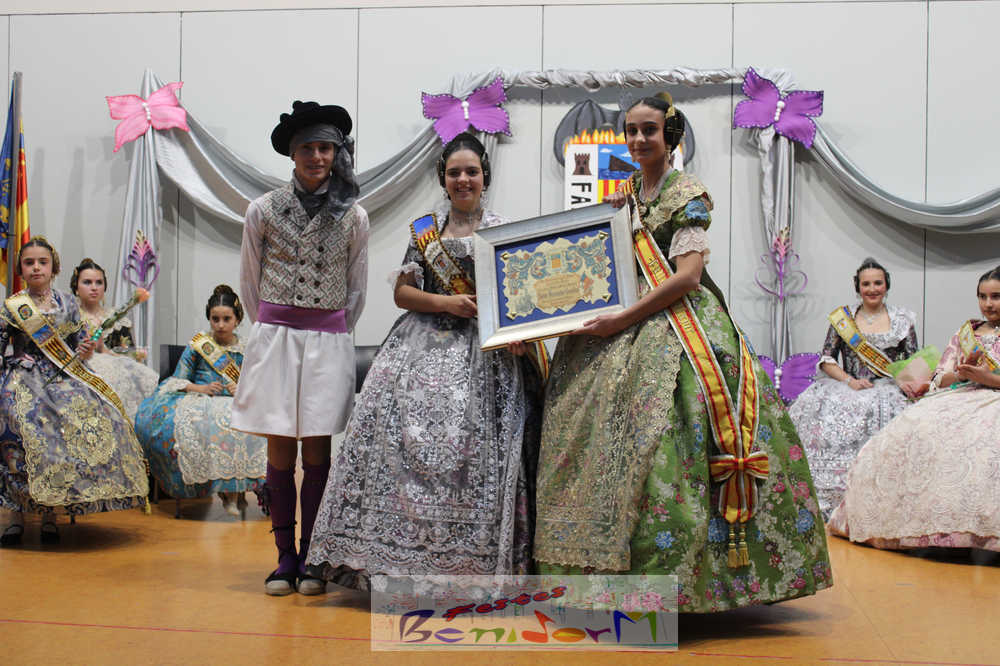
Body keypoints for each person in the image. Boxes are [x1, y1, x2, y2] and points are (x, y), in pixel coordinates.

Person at [534, 94, 832, 612]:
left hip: (677, 326)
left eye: (648, 130)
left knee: (672, 440)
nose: (637, 139)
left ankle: (689, 582)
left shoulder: (688, 195)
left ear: (670, 137)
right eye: (630, 130)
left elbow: (688, 277)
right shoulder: (628, 191)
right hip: (623, 319)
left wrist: (623, 319)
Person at [306, 132, 543, 591]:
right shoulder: (425, 231)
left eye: (471, 171)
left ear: (485, 176)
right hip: (421, 345)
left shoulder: (503, 229)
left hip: (488, 352)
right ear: (442, 178)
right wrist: (447, 303)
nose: (463, 179)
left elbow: (520, 294)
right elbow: (403, 293)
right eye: (454, 172)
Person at [231, 101, 369, 596]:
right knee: (279, 447)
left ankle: (312, 554)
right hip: (276, 337)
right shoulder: (263, 210)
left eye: (325, 147)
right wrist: (274, 325)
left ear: (336, 152)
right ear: (292, 153)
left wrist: (331, 328)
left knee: (317, 448)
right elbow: (250, 283)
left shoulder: (354, 215)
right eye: (308, 147)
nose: (317, 156)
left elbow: (356, 287)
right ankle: (284, 556)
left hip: (328, 339)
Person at [828, 266, 1000, 552]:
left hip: (993, 401)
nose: (988, 304)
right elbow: (939, 377)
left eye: (996, 297)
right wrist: (962, 374)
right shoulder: (967, 332)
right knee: (912, 428)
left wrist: (989, 379)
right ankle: (914, 526)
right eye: (982, 297)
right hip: (961, 396)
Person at [0, 236, 148, 546]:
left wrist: (85, 348)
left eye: (42, 262)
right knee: (16, 424)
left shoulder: (67, 304)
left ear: (54, 267)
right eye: (29, 262)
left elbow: (79, 343)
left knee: (92, 416)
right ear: (20, 269)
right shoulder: (13, 306)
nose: (36, 267)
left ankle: (51, 514)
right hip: (24, 376)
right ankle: (15, 516)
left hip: (64, 375)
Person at [787, 258, 918, 519]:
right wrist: (849, 381)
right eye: (866, 284)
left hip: (889, 391)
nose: (872, 289)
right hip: (849, 388)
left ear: (886, 285)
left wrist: (907, 383)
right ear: (858, 287)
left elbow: (913, 361)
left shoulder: (902, 320)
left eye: (878, 283)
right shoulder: (843, 319)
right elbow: (827, 360)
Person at [135, 285, 266, 517]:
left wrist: (242, 388)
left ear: (237, 319)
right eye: (215, 319)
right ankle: (223, 491)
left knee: (245, 422)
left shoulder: (247, 348)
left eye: (227, 319)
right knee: (204, 422)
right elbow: (178, 379)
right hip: (200, 399)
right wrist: (201, 388)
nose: (220, 325)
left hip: (236, 400)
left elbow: (258, 381)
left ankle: (236, 491)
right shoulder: (198, 345)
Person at [72, 258, 158, 420]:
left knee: (146, 376)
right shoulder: (70, 318)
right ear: (76, 287)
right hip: (81, 372)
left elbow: (129, 356)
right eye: (87, 282)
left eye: (99, 283)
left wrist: (103, 350)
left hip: (116, 374)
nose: (94, 287)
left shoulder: (117, 319)